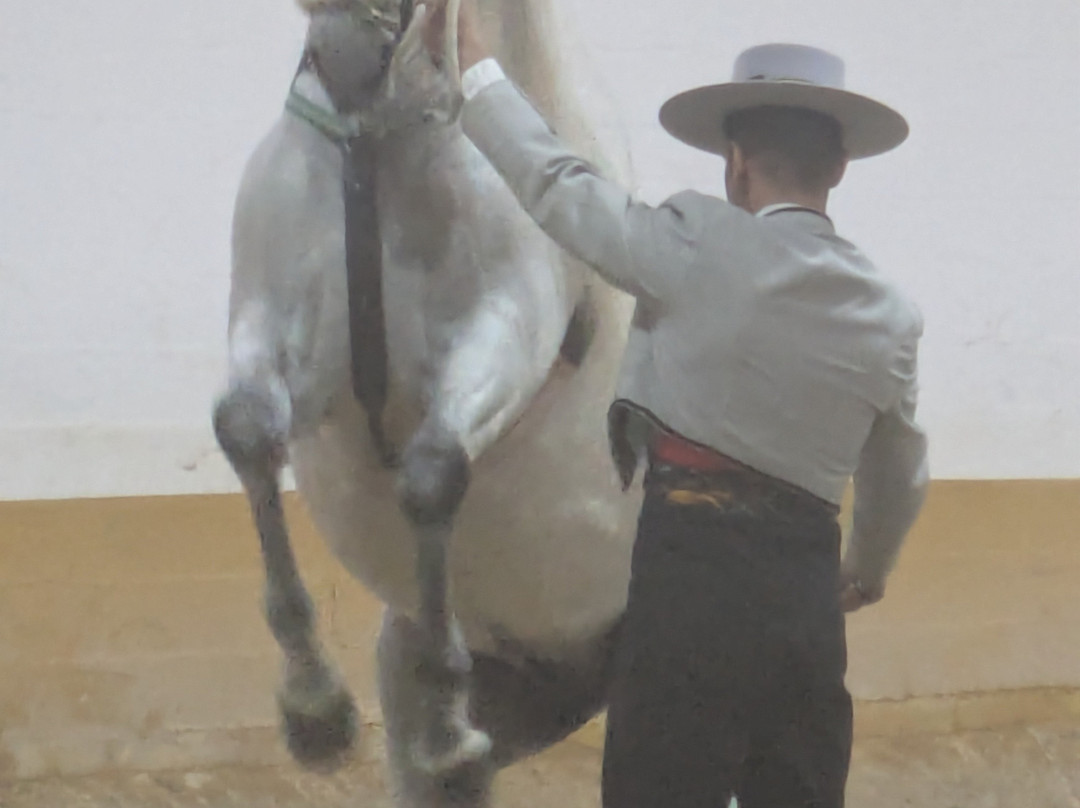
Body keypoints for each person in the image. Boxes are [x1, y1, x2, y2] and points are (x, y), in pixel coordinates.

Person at [418, 4, 930, 807]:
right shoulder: (891, 316)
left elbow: (557, 184)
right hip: (804, 593)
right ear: (837, 168)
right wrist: (865, 570)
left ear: (736, 162)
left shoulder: (693, 241)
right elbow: (900, 471)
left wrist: (476, 68)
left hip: (690, 578)